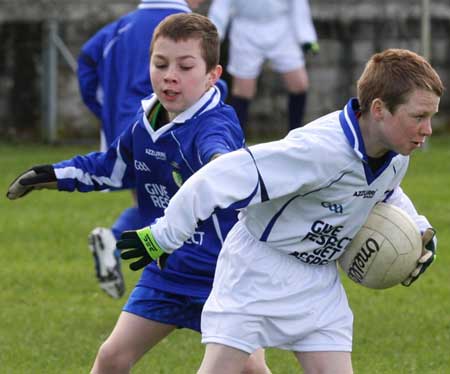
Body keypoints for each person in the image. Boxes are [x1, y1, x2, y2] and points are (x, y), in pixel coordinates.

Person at [113, 48, 441, 373]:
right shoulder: (317, 151)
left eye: (431, 117)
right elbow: (217, 176)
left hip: (318, 282)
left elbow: (387, 193)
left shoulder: (397, 155)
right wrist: (162, 235)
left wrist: (417, 231)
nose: (428, 129)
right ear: (380, 110)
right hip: (256, 271)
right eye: (418, 117)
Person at [7, 13, 270, 374]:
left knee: (251, 370)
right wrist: (52, 175)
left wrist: (222, 165)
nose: (169, 75)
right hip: (166, 274)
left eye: (185, 66)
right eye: (159, 64)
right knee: (111, 359)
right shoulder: (145, 121)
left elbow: (221, 159)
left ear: (213, 76)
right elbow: (109, 168)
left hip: (224, 278)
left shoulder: (216, 123)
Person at [77, 0, 207, 299]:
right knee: (182, 206)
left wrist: (106, 111)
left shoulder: (120, 27)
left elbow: (86, 64)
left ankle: (157, 282)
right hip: (165, 126)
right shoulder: (189, 30)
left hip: (125, 128)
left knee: (152, 205)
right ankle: (124, 250)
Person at [208, 0, 319, 134]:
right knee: (243, 90)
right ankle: (236, 140)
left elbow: (298, 5)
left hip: (281, 27)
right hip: (245, 29)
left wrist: (307, 38)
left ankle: (296, 135)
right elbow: (221, 5)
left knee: (299, 83)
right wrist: (213, 35)